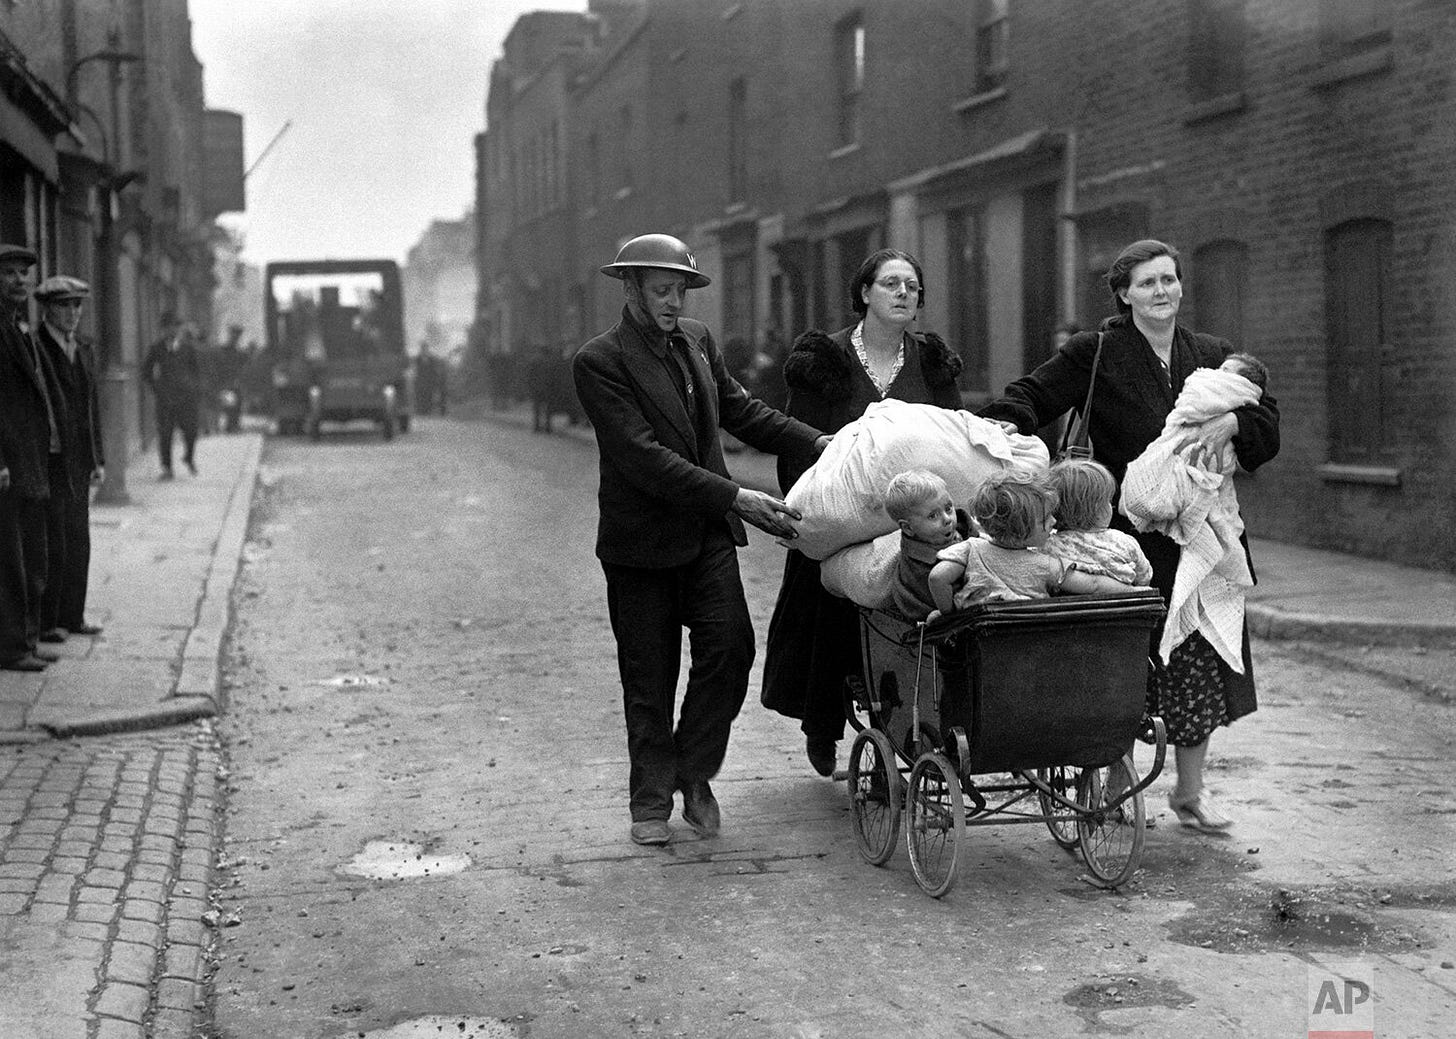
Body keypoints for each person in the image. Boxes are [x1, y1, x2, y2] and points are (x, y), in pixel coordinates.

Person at [980, 239, 1280, 832]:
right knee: (1120, 659)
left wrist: (1235, 419)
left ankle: (1189, 793)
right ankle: (1116, 784)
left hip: (1201, 537)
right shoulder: (1095, 353)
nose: (1162, 291)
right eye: (1147, 283)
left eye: (1169, 280)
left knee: (1199, 658)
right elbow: (1031, 398)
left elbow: (1267, 427)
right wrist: (983, 427)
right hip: (1125, 536)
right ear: (1124, 293)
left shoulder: (1214, 356)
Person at [571, 233, 828, 847]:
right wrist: (736, 496)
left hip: (706, 537)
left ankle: (693, 767)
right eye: (660, 291)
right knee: (649, 674)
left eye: (679, 290)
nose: (672, 302)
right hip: (640, 548)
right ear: (630, 290)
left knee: (730, 649)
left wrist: (820, 442)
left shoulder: (697, 342)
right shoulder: (599, 362)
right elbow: (643, 458)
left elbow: (740, 412)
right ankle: (652, 800)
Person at [761, 249, 964, 778]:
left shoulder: (932, 363)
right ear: (864, 293)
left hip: (914, 521)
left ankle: (916, 726)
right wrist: (811, 516)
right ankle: (822, 723)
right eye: (891, 283)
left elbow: (953, 434)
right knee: (831, 606)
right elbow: (795, 444)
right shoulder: (824, 362)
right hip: (842, 520)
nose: (903, 293)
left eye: (912, 287)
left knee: (929, 613)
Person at [1120, 351, 1270, 677]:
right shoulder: (1102, 350)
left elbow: (1259, 414)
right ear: (1125, 297)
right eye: (1222, 371)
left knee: (1198, 624)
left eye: (1229, 372)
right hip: (1155, 537)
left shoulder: (1205, 355)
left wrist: (1234, 421)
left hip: (1204, 497)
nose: (1218, 373)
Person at [928, 469, 1133, 616]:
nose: (1054, 521)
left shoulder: (971, 548)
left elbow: (937, 577)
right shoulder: (1045, 564)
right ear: (1022, 529)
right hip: (1029, 641)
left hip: (978, 638)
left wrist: (948, 613)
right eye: (1045, 520)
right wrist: (1134, 592)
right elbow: (1094, 585)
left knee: (933, 618)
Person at [32, 276, 105, 644]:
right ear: (47, 309)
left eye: (78, 305)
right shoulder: (37, 347)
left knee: (79, 539)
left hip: (78, 459)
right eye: (65, 306)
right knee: (53, 540)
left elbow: (92, 409)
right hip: (52, 459)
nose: (73, 313)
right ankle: (50, 621)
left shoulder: (83, 348)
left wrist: (98, 458)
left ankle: (74, 616)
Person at [0, 244, 58, 671]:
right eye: (9, 274)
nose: (20, 281)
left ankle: (27, 637)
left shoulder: (15, 327)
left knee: (31, 552)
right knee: (9, 559)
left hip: (29, 458)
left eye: (24, 274)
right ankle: (12, 647)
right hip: (8, 461)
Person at [1042, 458, 1153, 587]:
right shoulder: (1125, 542)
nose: (1111, 507)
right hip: (1125, 604)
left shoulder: (1048, 545)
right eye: (1108, 501)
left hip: (1065, 606)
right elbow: (1144, 577)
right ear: (1098, 509)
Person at [883, 469, 964, 620]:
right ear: (908, 528)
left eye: (948, 508)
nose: (947, 519)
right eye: (933, 516)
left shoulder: (964, 527)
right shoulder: (920, 571)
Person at [142, 312, 201, 479]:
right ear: (163, 329)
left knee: (191, 430)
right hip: (166, 399)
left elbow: (196, 371)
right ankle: (167, 467)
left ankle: (189, 457)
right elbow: (146, 372)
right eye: (169, 327)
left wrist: (193, 388)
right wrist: (157, 389)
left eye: (176, 327)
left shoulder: (188, 348)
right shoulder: (157, 348)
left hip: (186, 398)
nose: (173, 331)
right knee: (165, 433)